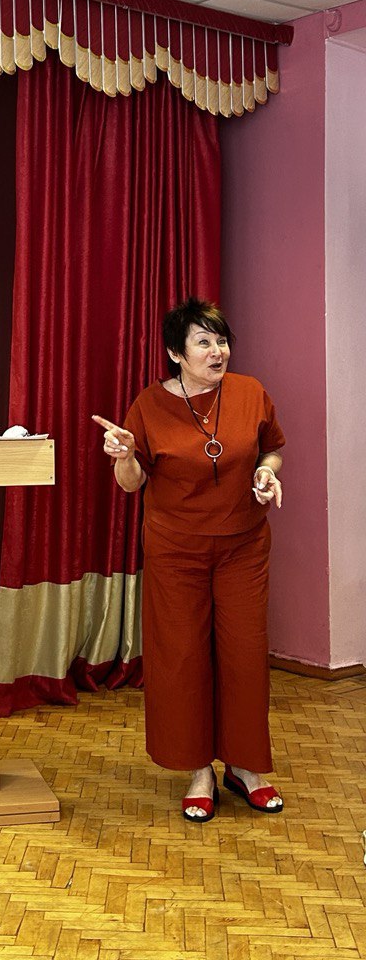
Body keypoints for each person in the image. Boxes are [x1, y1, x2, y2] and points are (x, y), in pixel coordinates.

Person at [93, 297, 285, 822]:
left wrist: (267, 473)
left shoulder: (250, 393)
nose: (217, 351)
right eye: (204, 342)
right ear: (176, 353)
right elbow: (131, 484)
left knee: (245, 655)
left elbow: (271, 449)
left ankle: (245, 767)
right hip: (176, 551)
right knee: (182, 658)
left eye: (221, 341)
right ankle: (199, 771)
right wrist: (125, 456)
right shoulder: (149, 406)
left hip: (243, 547)